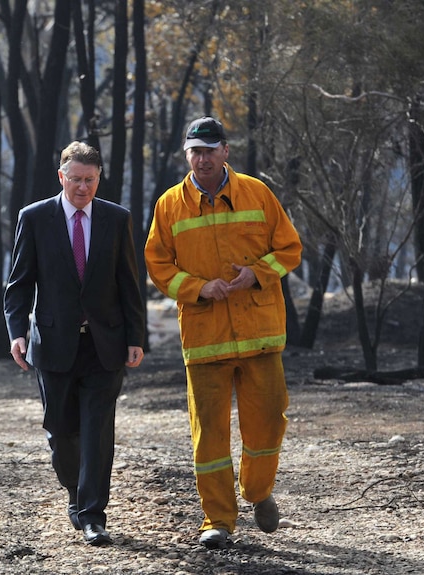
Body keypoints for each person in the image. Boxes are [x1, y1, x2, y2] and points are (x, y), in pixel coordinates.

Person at [144, 116, 303, 549]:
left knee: (269, 422)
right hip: (204, 339)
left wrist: (257, 273)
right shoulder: (169, 206)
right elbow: (158, 266)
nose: (203, 158)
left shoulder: (257, 193)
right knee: (208, 435)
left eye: (210, 150)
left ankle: (257, 492)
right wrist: (197, 289)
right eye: (195, 150)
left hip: (260, 334)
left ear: (225, 151)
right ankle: (217, 520)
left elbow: (290, 248)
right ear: (186, 154)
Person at [4, 141, 146, 546]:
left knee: (98, 431)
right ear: (61, 176)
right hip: (53, 343)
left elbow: (127, 282)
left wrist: (136, 337)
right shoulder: (34, 218)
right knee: (60, 431)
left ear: (98, 179)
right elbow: (18, 284)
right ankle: (75, 492)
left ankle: (92, 515)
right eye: (76, 179)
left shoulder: (116, 219)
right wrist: (16, 331)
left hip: (106, 343)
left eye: (91, 180)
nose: (83, 188)